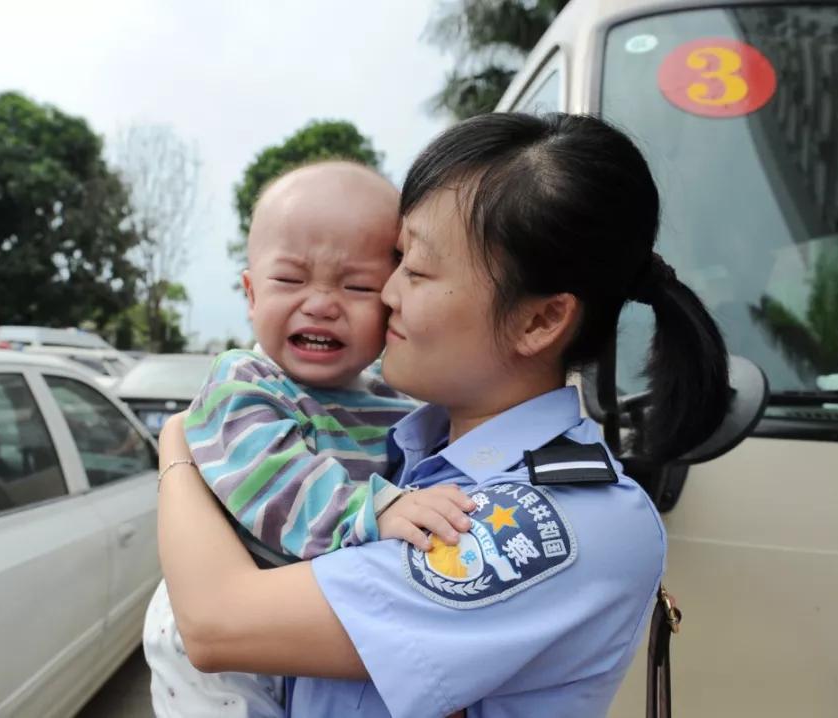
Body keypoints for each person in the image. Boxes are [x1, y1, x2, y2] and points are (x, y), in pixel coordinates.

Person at [154, 112, 731, 717]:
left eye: (417, 269)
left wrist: (178, 449)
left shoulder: (552, 522)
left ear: (539, 320)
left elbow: (218, 623)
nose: (388, 293)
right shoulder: (415, 455)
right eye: (395, 261)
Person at [144, 160, 475, 718]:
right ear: (250, 293)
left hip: (306, 633)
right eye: (291, 280)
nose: (321, 302)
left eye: (356, 285)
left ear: (392, 301)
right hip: (225, 668)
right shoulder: (242, 384)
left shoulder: (402, 407)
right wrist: (377, 510)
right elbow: (274, 483)